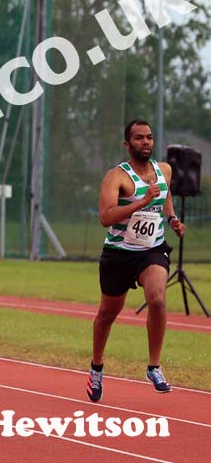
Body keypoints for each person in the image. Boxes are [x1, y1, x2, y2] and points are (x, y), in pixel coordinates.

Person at [87, 119, 185, 402]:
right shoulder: (117, 177)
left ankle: (154, 367)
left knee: (157, 299)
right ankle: (96, 368)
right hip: (118, 253)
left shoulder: (163, 170)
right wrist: (141, 202)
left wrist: (173, 219)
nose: (146, 142)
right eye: (139, 138)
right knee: (107, 314)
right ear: (127, 145)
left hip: (151, 249)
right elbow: (105, 217)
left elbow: (164, 198)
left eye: (150, 137)